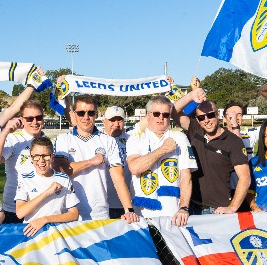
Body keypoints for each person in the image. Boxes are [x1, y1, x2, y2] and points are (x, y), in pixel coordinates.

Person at [52, 95, 139, 223]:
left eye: (91, 113)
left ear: (96, 114)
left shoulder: (108, 141)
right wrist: (90, 162)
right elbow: (61, 169)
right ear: (74, 115)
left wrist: (129, 210)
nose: (86, 117)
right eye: (81, 113)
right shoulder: (63, 139)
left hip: (100, 213)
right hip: (69, 213)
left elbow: (118, 177)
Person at [176, 79, 251, 215]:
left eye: (210, 115)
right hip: (191, 208)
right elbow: (172, 111)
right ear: (197, 120)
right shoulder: (195, 129)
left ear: (217, 115)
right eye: (201, 117)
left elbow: (245, 177)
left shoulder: (233, 141)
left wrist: (233, 207)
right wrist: (190, 96)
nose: (206, 120)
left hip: (218, 211)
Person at [126, 96, 197, 225]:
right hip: (141, 215)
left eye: (165, 114)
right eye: (156, 114)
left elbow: (186, 177)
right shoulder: (136, 139)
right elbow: (135, 168)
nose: (161, 118)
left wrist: (183, 208)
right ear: (148, 116)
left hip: (173, 214)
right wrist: (163, 150)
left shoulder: (179, 137)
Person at [0, 100, 46, 223]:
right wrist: (4, 133)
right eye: (29, 118)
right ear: (22, 120)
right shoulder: (14, 139)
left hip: (41, 208)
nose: (34, 122)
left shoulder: (49, 142)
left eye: (38, 117)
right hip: (15, 209)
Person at [15, 137, 79, 236]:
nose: (41, 161)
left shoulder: (63, 179)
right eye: (36, 156)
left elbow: (74, 214)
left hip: (57, 233)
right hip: (32, 233)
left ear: (52, 157)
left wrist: (45, 220)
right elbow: (20, 213)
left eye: (45, 156)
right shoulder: (25, 179)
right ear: (31, 158)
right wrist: (47, 193)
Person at [102, 106, 135, 219]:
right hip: (104, 204)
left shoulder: (132, 140)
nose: (116, 124)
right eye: (112, 120)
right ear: (104, 121)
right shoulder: (98, 140)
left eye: (119, 120)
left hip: (127, 203)